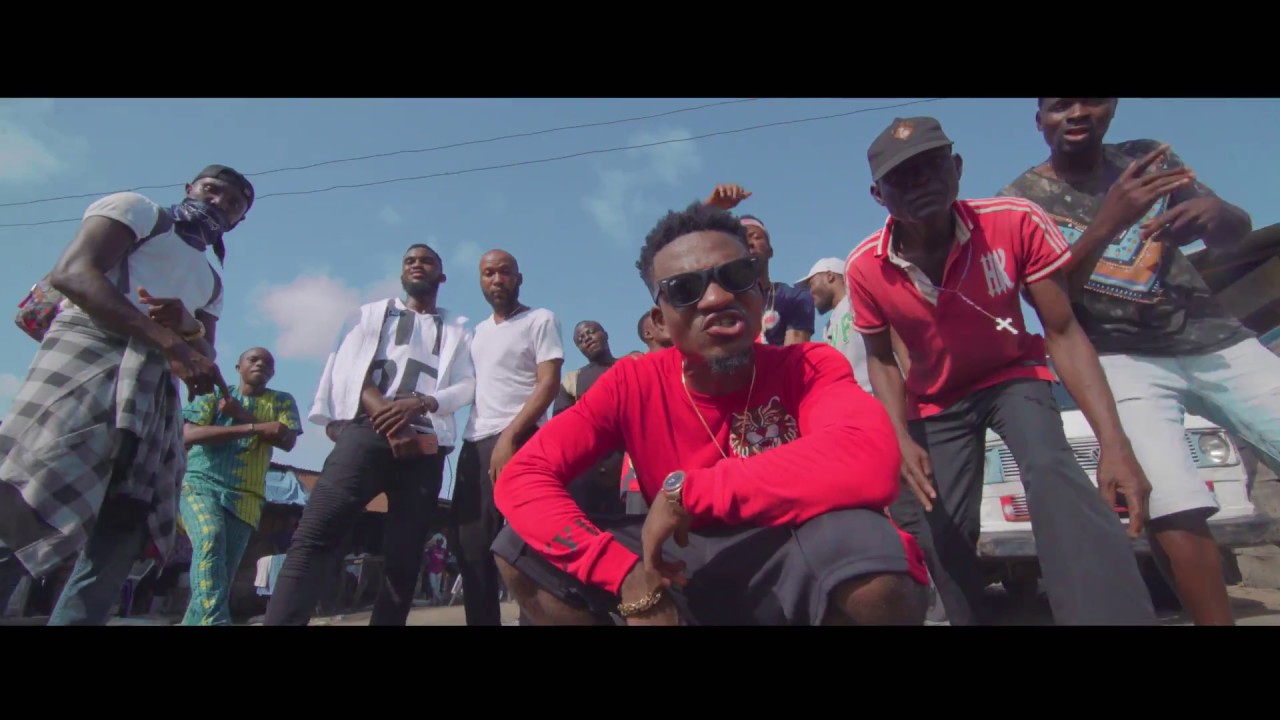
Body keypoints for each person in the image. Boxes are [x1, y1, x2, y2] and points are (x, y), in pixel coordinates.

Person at [489, 200, 930, 626]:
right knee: (519, 549)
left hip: (788, 547)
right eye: (685, 289)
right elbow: (524, 476)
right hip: (676, 560)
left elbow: (869, 456)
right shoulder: (631, 383)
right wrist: (625, 576)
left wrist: (689, 492)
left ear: (760, 292)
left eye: (736, 276)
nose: (717, 297)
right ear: (659, 321)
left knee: (874, 562)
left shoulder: (808, 365)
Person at [846, 116, 1157, 626]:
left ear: (958, 167)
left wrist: (1114, 444)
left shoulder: (1014, 221)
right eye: (901, 177)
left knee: (1052, 472)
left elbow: (1062, 330)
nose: (920, 183)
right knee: (936, 528)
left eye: (931, 166)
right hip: (935, 399)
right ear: (878, 195)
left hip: (1012, 376)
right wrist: (898, 436)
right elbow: (881, 358)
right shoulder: (864, 267)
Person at [997, 98, 1276, 625]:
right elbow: (1050, 302)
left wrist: (1216, 215)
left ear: (1112, 107)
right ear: (1040, 120)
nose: (1077, 112)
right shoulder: (1019, 202)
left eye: (1091, 100)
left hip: (1215, 338)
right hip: (1119, 356)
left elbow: (1235, 228)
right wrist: (1108, 222)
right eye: (1059, 105)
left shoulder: (1148, 159)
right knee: (1171, 501)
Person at [0, 165, 251, 625]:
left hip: (153, 392)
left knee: (126, 523)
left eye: (234, 204)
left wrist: (187, 327)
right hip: (85, 359)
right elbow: (73, 274)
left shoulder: (212, 281)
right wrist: (168, 339)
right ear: (189, 188)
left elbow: (204, 353)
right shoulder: (137, 211)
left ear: (239, 221)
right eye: (212, 190)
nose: (219, 203)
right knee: (31, 500)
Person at [263, 244, 474, 626]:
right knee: (315, 534)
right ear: (402, 273)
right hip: (367, 428)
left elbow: (466, 384)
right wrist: (391, 422)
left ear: (441, 275)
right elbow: (350, 369)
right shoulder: (370, 314)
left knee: (405, 555)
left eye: (426, 261)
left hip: (426, 439)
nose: (417, 265)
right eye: (410, 260)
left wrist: (422, 403)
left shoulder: (458, 329)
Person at [453, 249, 563, 626]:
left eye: (504, 272)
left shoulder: (540, 319)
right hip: (474, 444)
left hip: (522, 439)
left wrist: (510, 437)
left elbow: (548, 383)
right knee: (471, 550)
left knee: (529, 547)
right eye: (488, 273)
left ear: (519, 278)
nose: (496, 279)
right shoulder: (477, 333)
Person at [179, 347, 302, 625]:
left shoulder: (282, 401)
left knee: (220, 572)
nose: (260, 364)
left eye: (267, 363)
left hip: (247, 497)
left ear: (273, 373)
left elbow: (286, 440)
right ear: (238, 367)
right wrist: (253, 428)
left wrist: (243, 415)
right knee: (210, 538)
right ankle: (217, 622)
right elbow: (188, 434)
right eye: (253, 359)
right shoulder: (214, 394)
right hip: (201, 484)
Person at [704, 183, 815, 346]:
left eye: (756, 237)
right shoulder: (720, 301)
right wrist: (709, 209)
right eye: (742, 239)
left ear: (770, 251)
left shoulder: (794, 298)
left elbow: (793, 355)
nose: (749, 243)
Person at [796, 257, 912, 392]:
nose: (809, 293)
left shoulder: (860, 301)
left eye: (811, 284)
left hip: (884, 397)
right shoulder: (828, 328)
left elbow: (898, 343)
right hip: (854, 401)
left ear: (830, 276)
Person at [554, 321, 626, 515]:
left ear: (605, 334)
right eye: (580, 339)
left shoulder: (630, 366)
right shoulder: (572, 380)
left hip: (632, 468)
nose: (586, 339)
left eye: (591, 332)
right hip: (590, 472)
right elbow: (562, 425)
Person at [619, 310, 676, 514]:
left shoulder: (690, 366)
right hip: (640, 478)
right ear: (648, 334)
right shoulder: (633, 368)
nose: (669, 322)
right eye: (660, 321)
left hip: (683, 476)